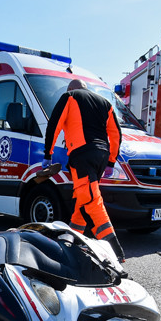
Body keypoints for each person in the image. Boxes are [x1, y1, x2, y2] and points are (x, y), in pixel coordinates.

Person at [43, 78, 125, 261]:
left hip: (82, 154)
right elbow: (116, 133)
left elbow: (54, 124)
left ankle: (114, 251)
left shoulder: (69, 96)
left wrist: (47, 154)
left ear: (72, 88)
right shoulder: (105, 103)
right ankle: (72, 240)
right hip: (101, 155)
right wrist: (111, 160)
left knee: (90, 201)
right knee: (84, 197)